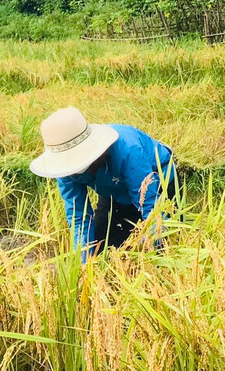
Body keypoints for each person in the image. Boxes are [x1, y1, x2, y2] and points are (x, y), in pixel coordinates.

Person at [29, 107, 175, 260]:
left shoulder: (128, 150)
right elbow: (79, 216)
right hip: (113, 192)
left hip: (155, 183)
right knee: (101, 248)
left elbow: (152, 207)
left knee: (160, 244)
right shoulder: (64, 171)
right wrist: (83, 264)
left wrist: (150, 245)